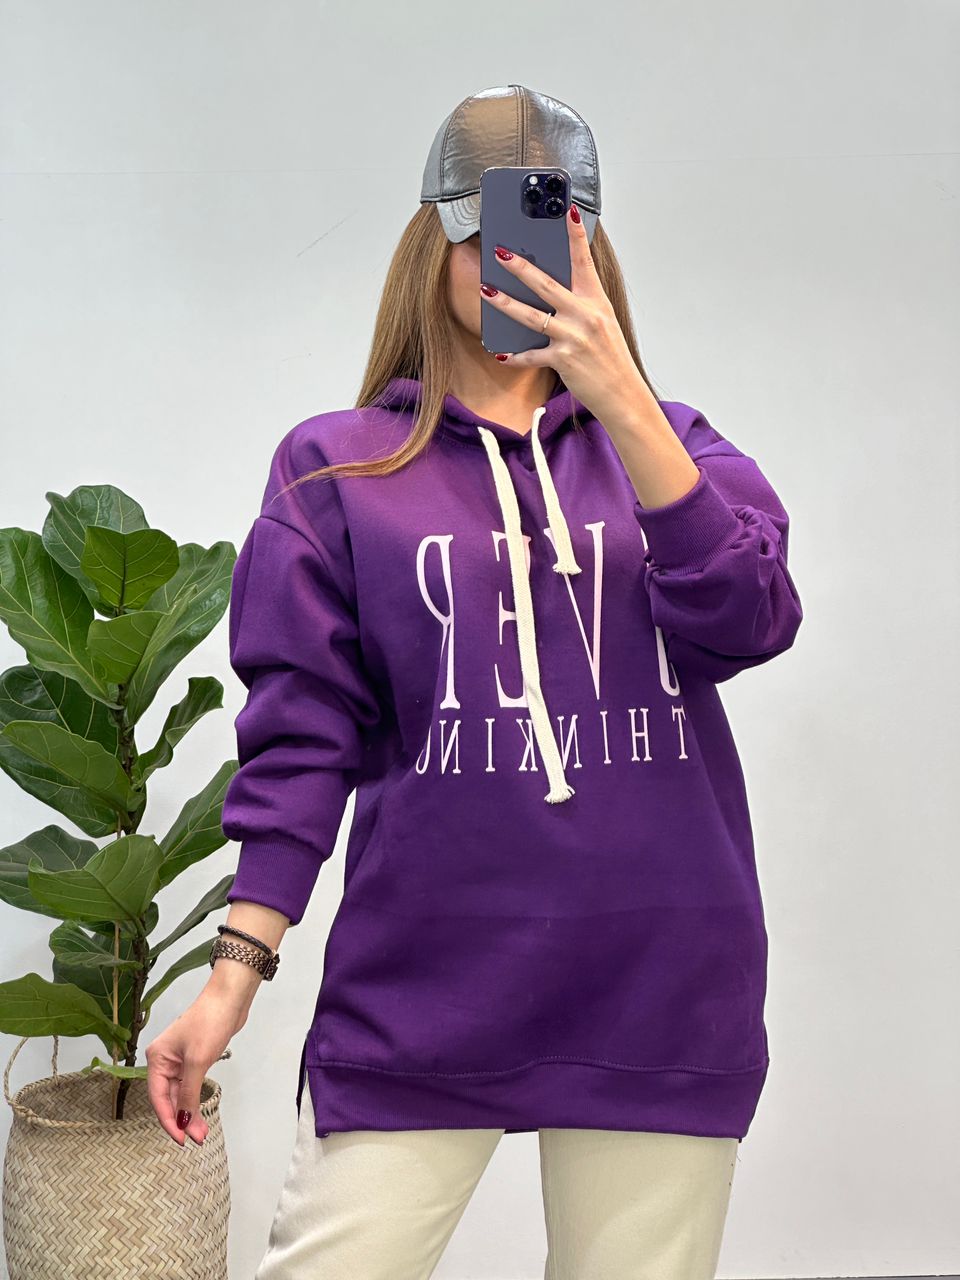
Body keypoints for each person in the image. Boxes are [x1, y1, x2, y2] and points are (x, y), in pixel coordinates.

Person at [146, 83, 803, 1280]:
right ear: (432, 243)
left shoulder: (678, 448)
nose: (515, 260)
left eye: (551, 230)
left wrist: (618, 394)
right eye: (485, 229)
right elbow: (301, 742)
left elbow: (751, 618)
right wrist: (233, 974)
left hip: (663, 983)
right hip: (422, 985)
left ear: (592, 247)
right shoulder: (333, 470)